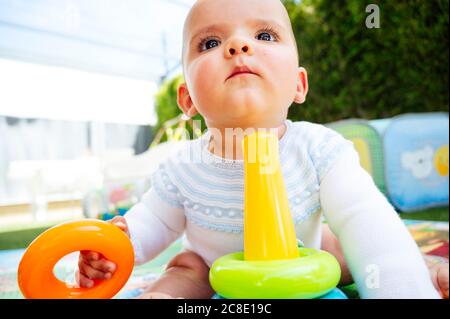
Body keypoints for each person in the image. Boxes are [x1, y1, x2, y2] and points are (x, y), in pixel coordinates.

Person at [77, 0, 448, 299]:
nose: (239, 47)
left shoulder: (319, 149)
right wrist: (117, 248)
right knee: (184, 270)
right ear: (188, 98)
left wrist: (404, 289)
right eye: (210, 43)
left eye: (265, 35)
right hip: (214, 268)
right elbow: (153, 222)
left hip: (301, 254)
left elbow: (365, 217)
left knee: (353, 248)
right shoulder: (183, 167)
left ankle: (421, 270)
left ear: (298, 86)